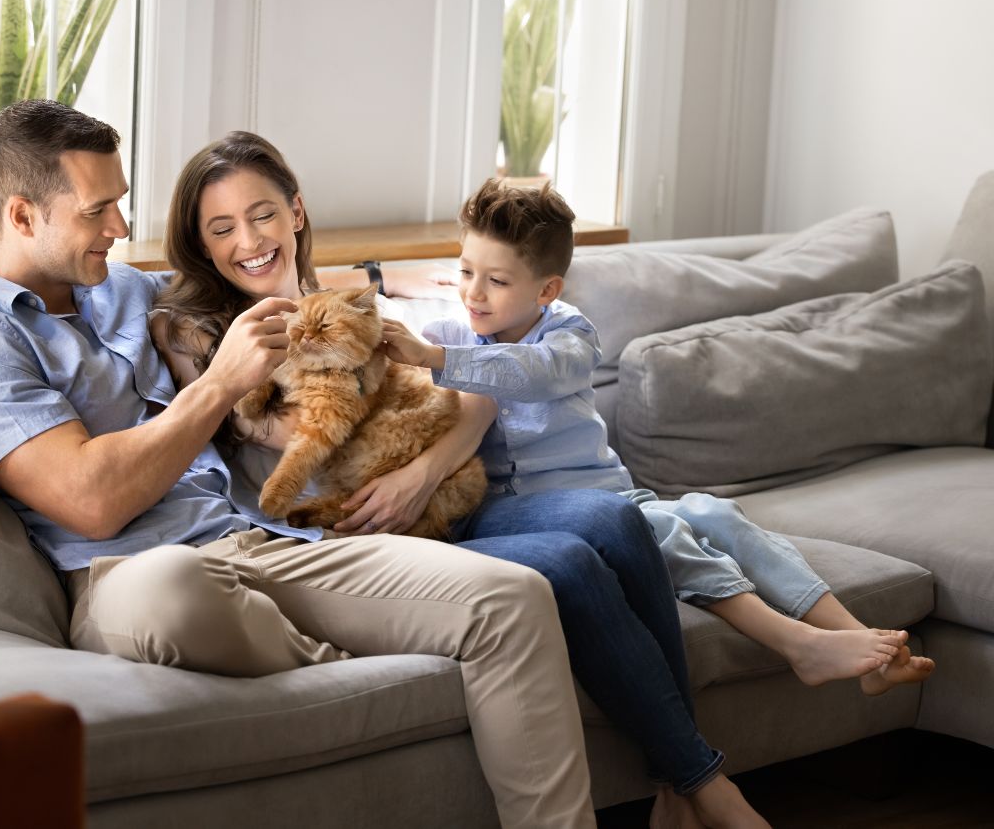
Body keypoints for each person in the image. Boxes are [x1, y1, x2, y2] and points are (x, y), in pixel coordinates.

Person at [0, 100, 600, 829]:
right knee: (174, 589)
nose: (119, 229)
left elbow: (280, 288)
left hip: (264, 542)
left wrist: (414, 295)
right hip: (126, 572)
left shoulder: (134, 293)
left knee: (514, 597)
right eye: (98, 211)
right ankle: (331, 650)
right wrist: (218, 385)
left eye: (120, 205)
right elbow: (91, 500)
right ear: (21, 217)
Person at [152, 130, 773, 828]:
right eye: (222, 227)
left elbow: (474, 397)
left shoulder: (352, 303)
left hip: (440, 502)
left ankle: (678, 782)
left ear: (295, 212)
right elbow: (299, 434)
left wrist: (420, 472)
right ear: (203, 245)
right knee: (566, 563)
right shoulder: (196, 332)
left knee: (618, 521)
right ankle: (702, 783)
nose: (249, 239)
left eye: (262, 213)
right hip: (349, 534)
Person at [380, 178, 936, 697]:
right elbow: (349, 299)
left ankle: (859, 642)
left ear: (547, 289)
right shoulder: (449, 327)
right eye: (465, 272)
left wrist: (435, 359)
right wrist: (379, 279)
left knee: (718, 515)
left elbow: (534, 372)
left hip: (612, 495)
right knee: (663, 529)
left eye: (496, 281)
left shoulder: (570, 333)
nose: (474, 293)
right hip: (537, 514)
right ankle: (799, 646)